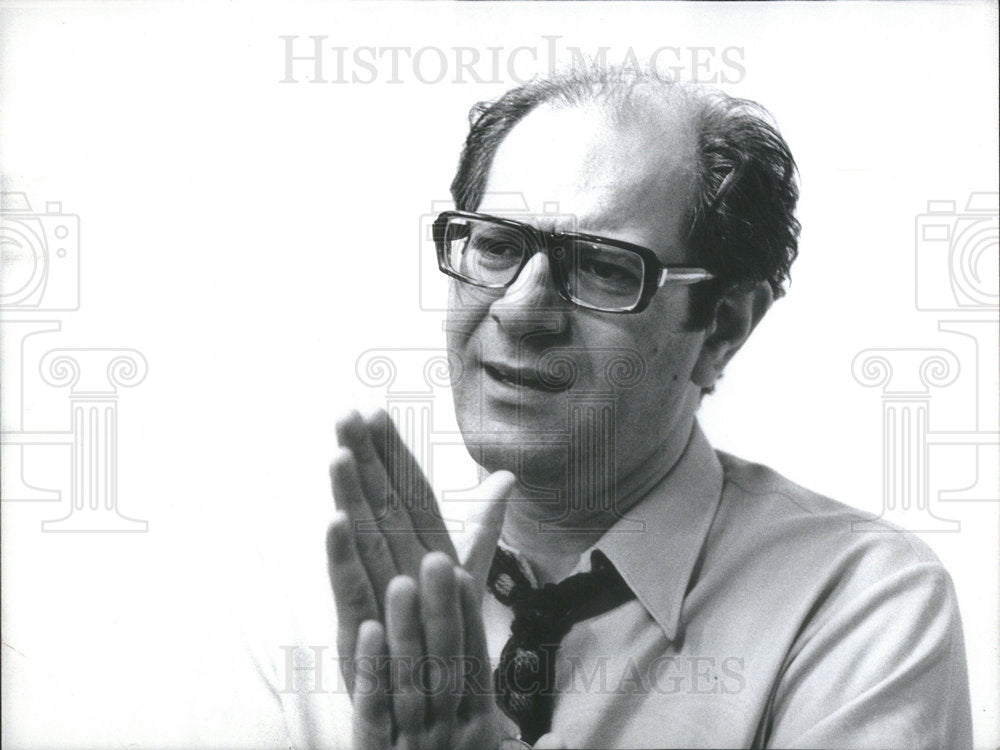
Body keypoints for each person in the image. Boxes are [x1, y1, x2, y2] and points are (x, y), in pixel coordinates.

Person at [321, 68, 973, 749]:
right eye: (496, 246)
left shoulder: (861, 604)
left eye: (602, 267)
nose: (519, 310)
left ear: (720, 328)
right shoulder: (318, 596)